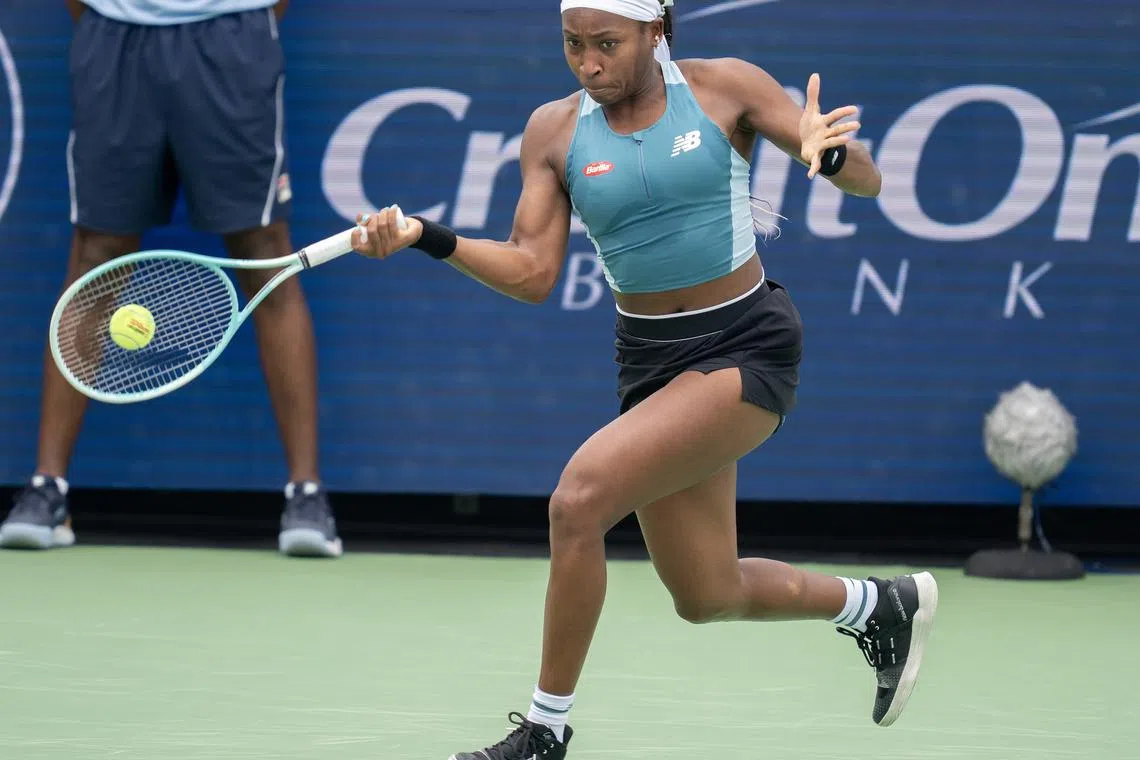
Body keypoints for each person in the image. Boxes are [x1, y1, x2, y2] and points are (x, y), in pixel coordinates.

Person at [352, 0, 939, 756]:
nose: (589, 62)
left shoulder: (725, 88)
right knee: (705, 594)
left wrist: (829, 156)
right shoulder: (553, 131)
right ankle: (878, 605)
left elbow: (868, 180)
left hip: (745, 343)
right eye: (573, 44)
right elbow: (532, 271)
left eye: (607, 44)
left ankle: (544, 731)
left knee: (579, 501)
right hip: (651, 361)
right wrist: (425, 237)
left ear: (654, 30)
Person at [0, 0, 343, 559]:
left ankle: (306, 495)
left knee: (263, 252)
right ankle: (48, 489)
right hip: (113, 36)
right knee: (96, 252)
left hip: (233, 36)